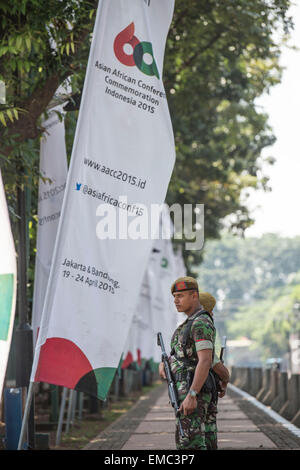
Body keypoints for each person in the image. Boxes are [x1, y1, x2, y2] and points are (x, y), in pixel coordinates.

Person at [159, 277, 218, 450]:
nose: (176, 301)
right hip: (187, 391)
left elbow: (206, 360)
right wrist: (166, 363)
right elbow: (185, 355)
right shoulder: (189, 323)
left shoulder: (200, 323)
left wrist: (192, 395)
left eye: (181, 296)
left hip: (194, 393)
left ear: (194, 296)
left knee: (190, 444)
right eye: (174, 296)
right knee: (201, 442)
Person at [198, 292, 230, 450]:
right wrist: (225, 378)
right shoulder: (203, 324)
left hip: (191, 386)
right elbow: (212, 361)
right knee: (206, 428)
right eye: (211, 309)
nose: (213, 313)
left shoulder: (186, 325)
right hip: (202, 388)